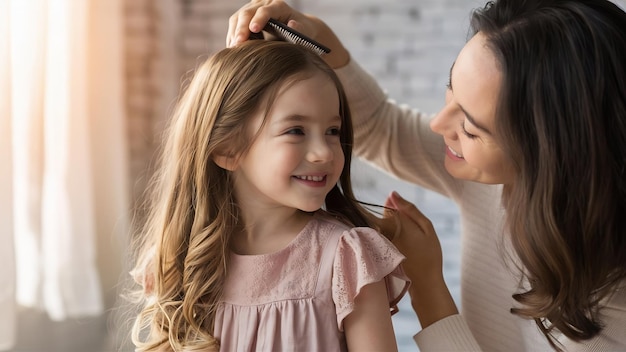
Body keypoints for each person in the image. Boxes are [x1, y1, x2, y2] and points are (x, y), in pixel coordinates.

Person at [227, 0, 626, 351]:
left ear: (550, 153)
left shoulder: (613, 302)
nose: (438, 124)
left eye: (470, 128)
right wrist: (322, 41)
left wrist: (427, 284)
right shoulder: (489, 170)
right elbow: (383, 127)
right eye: (450, 90)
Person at [127, 39, 410, 351]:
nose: (323, 153)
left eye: (332, 131)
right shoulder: (179, 256)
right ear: (226, 148)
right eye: (296, 131)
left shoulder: (346, 259)